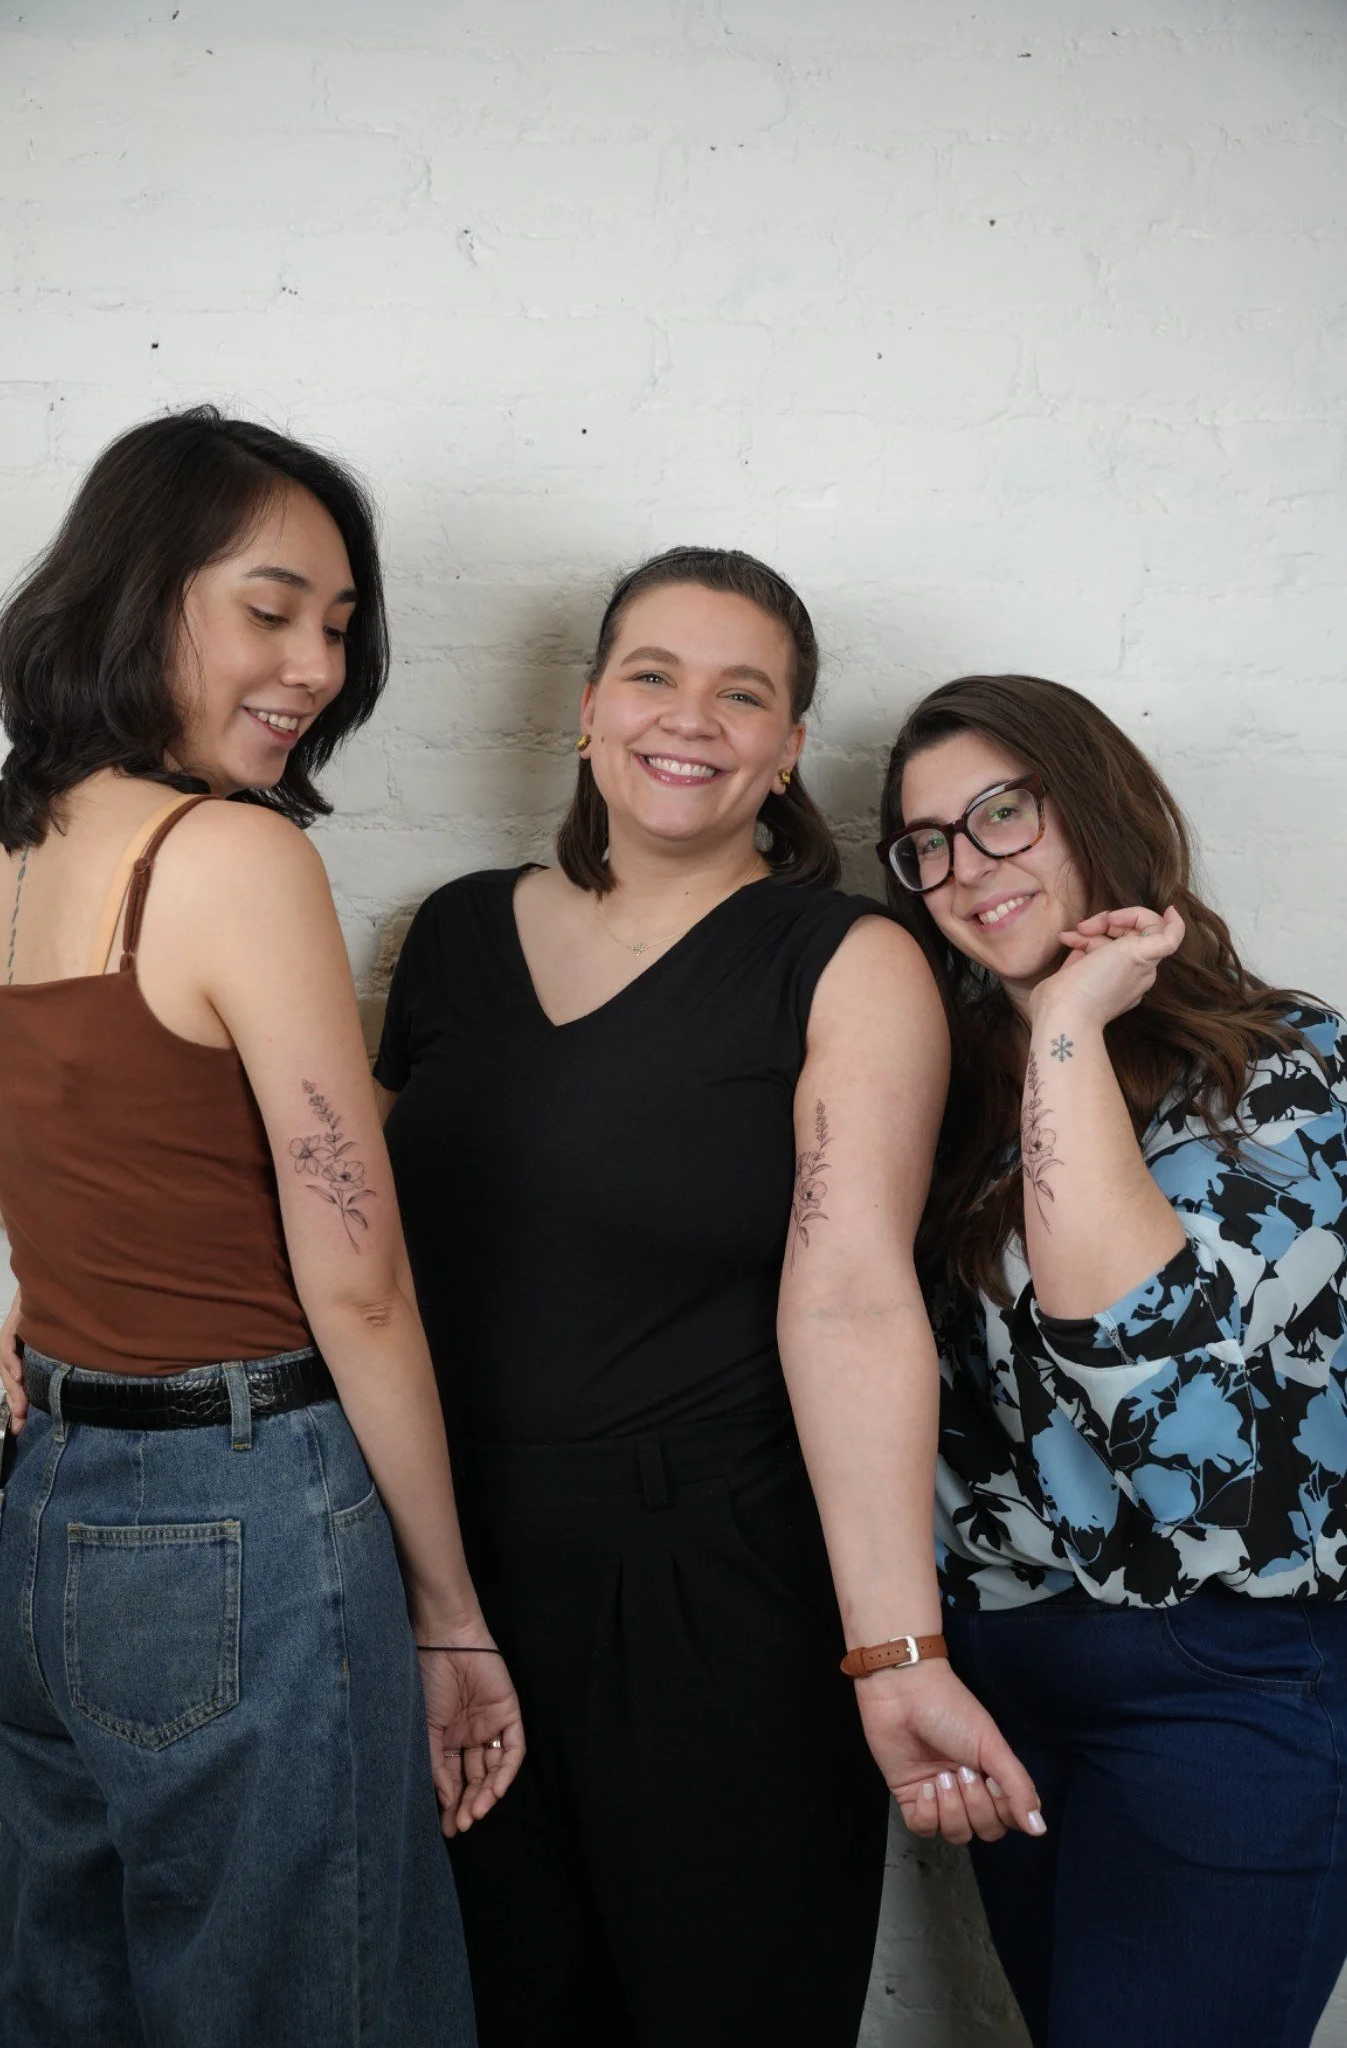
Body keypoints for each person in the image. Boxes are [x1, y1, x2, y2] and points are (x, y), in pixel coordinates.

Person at [372, 547, 1044, 2048]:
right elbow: (341, 1235)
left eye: (746, 695)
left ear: (792, 748)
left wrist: (896, 1653)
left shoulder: (846, 958)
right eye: (656, 675)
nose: (695, 719)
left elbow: (857, 1298)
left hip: (718, 1586)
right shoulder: (455, 935)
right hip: (444, 1577)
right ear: (591, 705)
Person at [0, 407, 523, 2047]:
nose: (312, 667)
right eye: (269, 609)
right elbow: (353, 1284)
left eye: (341, 629)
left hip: (38, 1514)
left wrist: (48, 1309)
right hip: (244, 1515)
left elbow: (34, 1173)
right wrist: (450, 1610)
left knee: (75, 1997)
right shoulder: (231, 858)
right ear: (141, 596)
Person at [877, 671, 1347, 2048]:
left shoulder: (1286, 1069)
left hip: (1229, 1673)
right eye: (929, 845)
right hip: (1006, 1678)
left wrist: (1074, 1023)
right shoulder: (955, 1098)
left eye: (1002, 813)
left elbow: (1160, 1400)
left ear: (1096, 808)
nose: (965, 868)